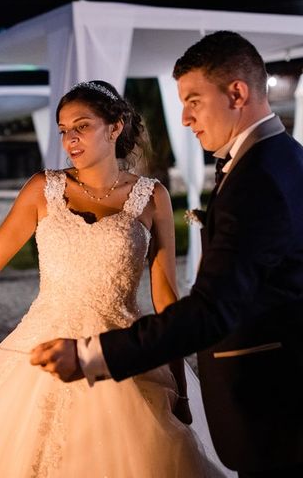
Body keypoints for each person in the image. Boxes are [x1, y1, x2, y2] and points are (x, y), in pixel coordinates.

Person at [0, 80, 226, 477]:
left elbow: (166, 296)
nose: (70, 139)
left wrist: (181, 384)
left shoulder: (153, 196)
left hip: (120, 351)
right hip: (41, 347)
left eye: (81, 126)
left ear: (115, 127)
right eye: (63, 130)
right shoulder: (43, 189)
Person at [30, 31, 303, 478]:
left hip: (271, 403)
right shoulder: (285, 159)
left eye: (194, 100)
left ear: (237, 92)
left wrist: (90, 356)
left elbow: (211, 309)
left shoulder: (260, 179)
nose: (184, 118)